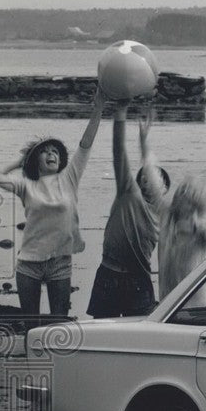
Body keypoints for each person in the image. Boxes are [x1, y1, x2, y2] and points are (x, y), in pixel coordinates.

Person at [0, 87, 105, 322]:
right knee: (32, 327)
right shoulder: (26, 185)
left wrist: (99, 107)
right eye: (44, 152)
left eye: (55, 152)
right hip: (29, 265)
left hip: (60, 262)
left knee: (59, 324)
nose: (51, 154)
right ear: (36, 160)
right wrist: (20, 160)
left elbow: (86, 144)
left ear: (61, 160)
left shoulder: (70, 178)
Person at [86, 103, 170, 318]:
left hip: (139, 280)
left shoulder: (164, 213)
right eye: (143, 177)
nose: (148, 181)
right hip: (109, 274)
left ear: (165, 189)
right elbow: (119, 152)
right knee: (101, 333)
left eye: (155, 179)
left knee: (137, 336)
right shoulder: (128, 194)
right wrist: (120, 115)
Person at [157, 174, 206, 301]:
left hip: (195, 300)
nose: (180, 199)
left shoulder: (201, 226)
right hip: (169, 299)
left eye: (188, 201)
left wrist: (205, 229)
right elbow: (155, 195)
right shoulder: (168, 218)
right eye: (181, 195)